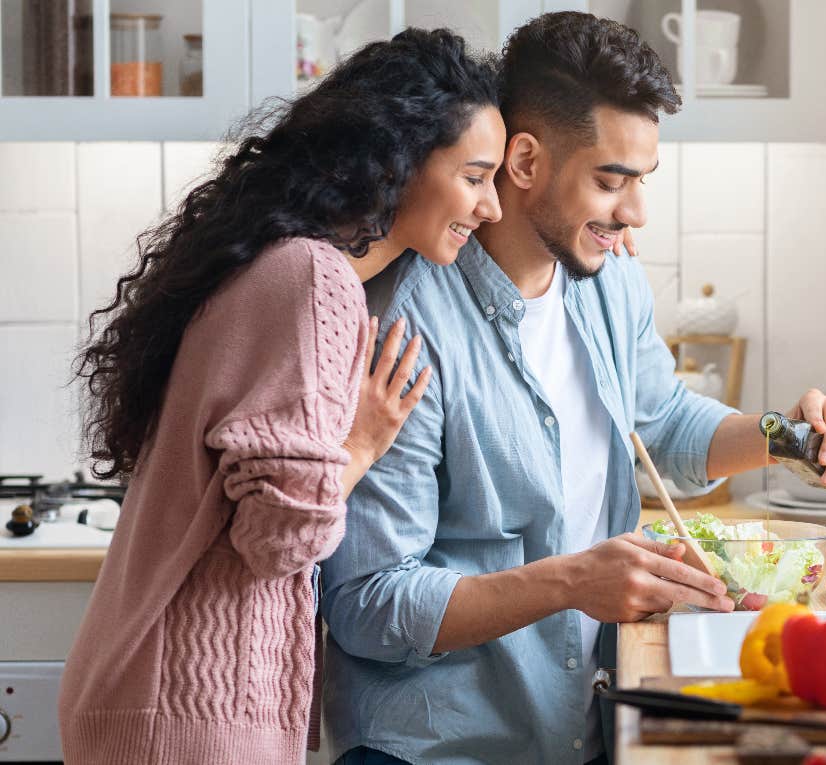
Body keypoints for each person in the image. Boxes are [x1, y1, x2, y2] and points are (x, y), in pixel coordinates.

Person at [321, 12, 826, 765]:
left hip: (579, 728)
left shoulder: (607, 283)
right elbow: (368, 604)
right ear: (526, 161)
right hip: (437, 745)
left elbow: (664, 420)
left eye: (641, 181)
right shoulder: (409, 331)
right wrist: (573, 580)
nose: (634, 213)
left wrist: (783, 435)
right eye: (611, 181)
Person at [58, 29, 506, 763]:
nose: (488, 206)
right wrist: (360, 444)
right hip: (186, 715)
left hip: (154, 696)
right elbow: (277, 539)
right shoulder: (313, 279)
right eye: (474, 176)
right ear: (399, 162)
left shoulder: (279, 260)